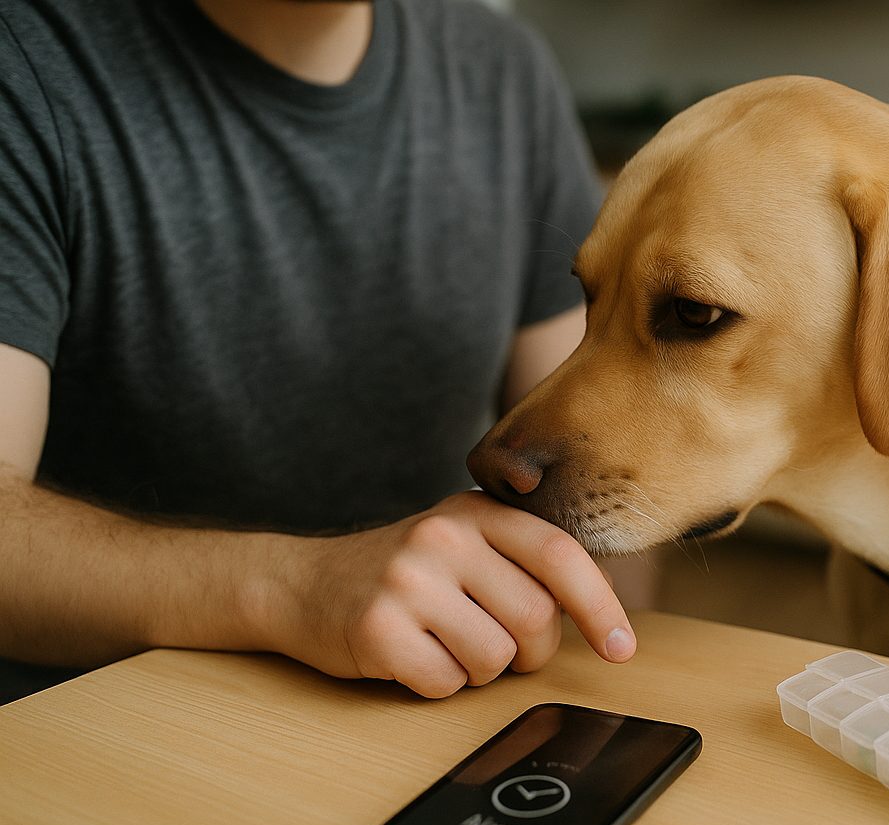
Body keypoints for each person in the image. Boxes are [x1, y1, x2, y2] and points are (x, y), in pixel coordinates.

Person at [0, 0, 639, 704]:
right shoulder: (26, 60)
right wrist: (299, 588)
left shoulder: (504, 71)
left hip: (446, 705)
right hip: (100, 722)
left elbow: (594, 477)